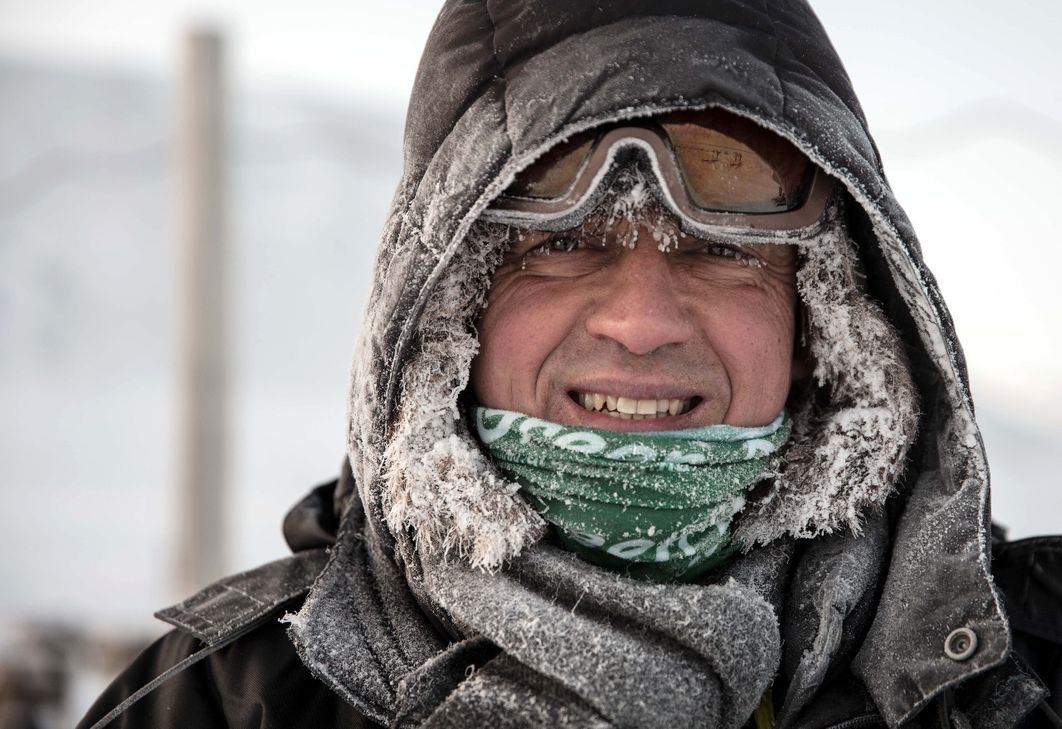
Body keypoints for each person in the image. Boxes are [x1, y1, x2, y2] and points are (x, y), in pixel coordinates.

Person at [79, 1, 1062, 727]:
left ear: (827, 334)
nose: (641, 322)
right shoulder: (219, 703)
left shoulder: (1025, 678)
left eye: (722, 251)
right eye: (558, 246)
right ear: (437, 328)